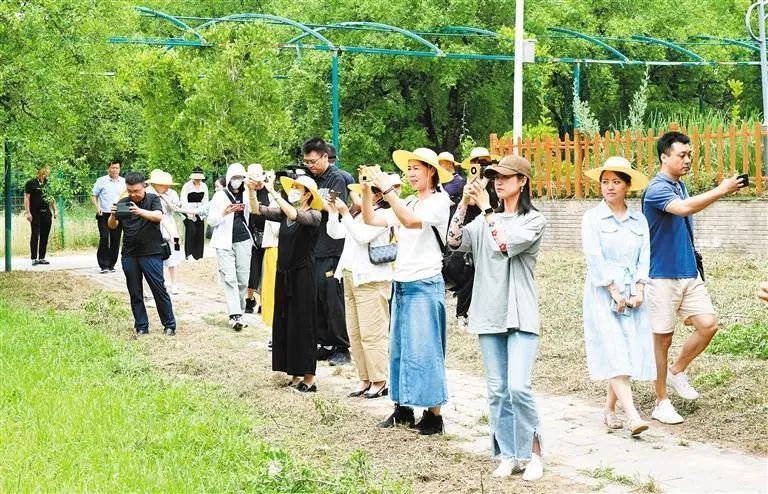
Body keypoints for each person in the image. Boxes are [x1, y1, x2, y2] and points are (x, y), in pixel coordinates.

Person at [447, 155, 547, 480]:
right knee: (497, 391)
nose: (498, 182)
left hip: (520, 312)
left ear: (523, 181)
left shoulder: (534, 220)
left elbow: (504, 246)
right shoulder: (480, 221)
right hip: (488, 311)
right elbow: (452, 241)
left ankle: (534, 453)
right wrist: (463, 205)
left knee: (519, 387)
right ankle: (507, 453)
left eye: (506, 177)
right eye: (495, 177)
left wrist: (487, 209)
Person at [642, 131, 745, 424]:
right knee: (662, 340)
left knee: (708, 325)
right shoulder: (657, 189)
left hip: (689, 272)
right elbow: (684, 209)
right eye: (681, 155)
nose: (687, 160)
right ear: (664, 157)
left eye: (689, 155)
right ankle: (661, 401)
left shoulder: (680, 186)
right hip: (661, 275)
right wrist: (722, 190)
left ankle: (676, 372)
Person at [362, 147, 451, 435]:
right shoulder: (409, 200)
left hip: (425, 282)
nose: (411, 173)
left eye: (417, 168)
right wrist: (366, 191)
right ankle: (402, 409)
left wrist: (387, 190)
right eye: (409, 168)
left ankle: (433, 414)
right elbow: (372, 220)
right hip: (401, 282)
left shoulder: (439, 201)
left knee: (426, 350)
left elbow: (411, 222)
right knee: (400, 350)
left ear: (432, 172)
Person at [581, 157, 655, 437]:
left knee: (627, 349)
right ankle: (633, 415)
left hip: (631, 291)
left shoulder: (639, 220)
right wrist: (613, 291)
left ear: (627, 186)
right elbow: (594, 257)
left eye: (615, 182)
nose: (609, 187)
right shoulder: (592, 218)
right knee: (614, 348)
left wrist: (638, 290)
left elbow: (644, 257)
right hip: (603, 292)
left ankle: (609, 408)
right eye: (605, 182)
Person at [326, 174, 402, 399]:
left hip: (372, 279)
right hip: (350, 276)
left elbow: (361, 237)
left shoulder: (383, 215)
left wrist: (345, 213)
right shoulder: (358, 215)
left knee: (373, 334)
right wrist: (333, 212)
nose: (357, 195)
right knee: (355, 333)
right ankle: (364, 378)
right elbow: (335, 233)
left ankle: (379, 380)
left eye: (362, 191)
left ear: (377, 194)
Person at [251, 173, 322, 392]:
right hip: (284, 273)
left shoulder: (315, 215)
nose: (293, 191)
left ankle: (309, 378)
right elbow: (257, 210)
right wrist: (252, 190)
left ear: (308, 194)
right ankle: (293, 373)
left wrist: (272, 190)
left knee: (304, 324)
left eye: (297, 188)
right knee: (286, 322)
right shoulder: (285, 214)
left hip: (303, 276)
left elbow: (295, 214)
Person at [108, 171, 176, 336]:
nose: (133, 194)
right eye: (130, 191)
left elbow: (158, 217)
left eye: (136, 191)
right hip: (129, 254)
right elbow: (112, 226)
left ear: (144, 186)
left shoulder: (153, 199)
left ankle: (169, 325)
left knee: (158, 289)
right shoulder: (123, 202)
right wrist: (113, 214)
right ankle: (141, 326)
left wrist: (139, 211)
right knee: (135, 291)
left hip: (151, 252)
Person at [303, 137, 351, 365]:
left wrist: (310, 197)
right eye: (306, 162)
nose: (310, 166)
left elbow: (332, 206)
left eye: (313, 161)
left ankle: (342, 345)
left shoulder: (336, 179)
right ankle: (325, 343)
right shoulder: (310, 179)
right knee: (317, 297)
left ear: (325, 157)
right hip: (313, 246)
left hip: (332, 246)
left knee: (333, 297)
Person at [208, 163, 254, 331]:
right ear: (228, 179)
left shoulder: (248, 195)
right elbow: (211, 220)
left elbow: (254, 213)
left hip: (243, 240)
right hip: (224, 242)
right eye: (234, 178)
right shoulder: (220, 196)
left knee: (243, 278)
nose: (237, 181)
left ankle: (240, 311)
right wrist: (224, 213)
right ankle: (234, 315)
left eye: (240, 178)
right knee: (229, 278)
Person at [146, 170, 185, 295]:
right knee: (157, 258)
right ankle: (159, 284)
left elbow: (176, 209)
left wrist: (166, 199)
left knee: (174, 254)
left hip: (171, 226)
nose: (168, 187)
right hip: (154, 227)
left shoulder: (172, 193)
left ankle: (174, 284)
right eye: (165, 184)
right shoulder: (148, 193)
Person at [245, 164, 271, 314]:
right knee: (252, 270)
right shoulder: (246, 192)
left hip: (267, 234)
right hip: (252, 235)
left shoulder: (268, 191)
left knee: (265, 270)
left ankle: (264, 301)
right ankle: (249, 299)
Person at [92, 160, 125, 273]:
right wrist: (97, 207)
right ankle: (103, 265)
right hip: (104, 214)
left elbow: (126, 197)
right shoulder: (101, 181)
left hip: (118, 213)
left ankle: (111, 264)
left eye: (116, 168)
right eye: (112, 168)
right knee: (104, 238)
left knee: (116, 240)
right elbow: (94, 195)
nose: (114, 170)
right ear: (108, 168)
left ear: (119, 169)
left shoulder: (124, 182)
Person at [24, 166, 57, 265]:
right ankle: (34, 258)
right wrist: (28, 212)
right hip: (35, 212)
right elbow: (26, 198)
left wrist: (55, 210)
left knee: (45, 235)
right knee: (35, 235)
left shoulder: (48, 183)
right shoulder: (30, 183)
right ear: (40, 172)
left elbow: (51, 197)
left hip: (46, 212)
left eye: (47, 173)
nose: (46, 174)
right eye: (45, 172)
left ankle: (42, 257)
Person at [180, 167, 209, 261]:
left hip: (200, 212)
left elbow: (205, 200)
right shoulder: (187, 186)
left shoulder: (204, 186)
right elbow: (183, 200)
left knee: (200, 232)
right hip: (189, 211)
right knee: (191, 231)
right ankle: (189, 254)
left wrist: (203, 212)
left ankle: (199, 255)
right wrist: (189, 213)